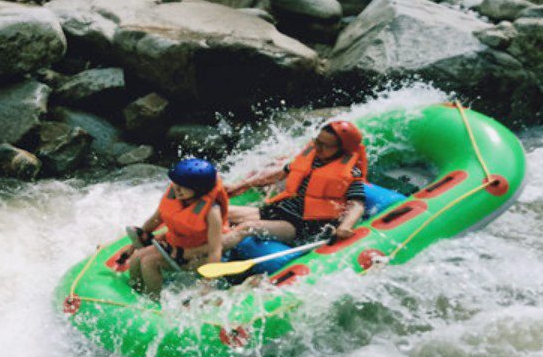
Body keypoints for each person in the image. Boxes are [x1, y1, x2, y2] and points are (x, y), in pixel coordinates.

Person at [225, 120, 368, 248]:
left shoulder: (351, 174)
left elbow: (357, 205)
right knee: (222, 211)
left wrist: (345, 227)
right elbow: (277, 175)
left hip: (300, 225)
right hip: (280, 211)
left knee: (246, 227)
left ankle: (208, 254)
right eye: (317, 142)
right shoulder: (311, 158)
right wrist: (241, 185)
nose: (318, 148)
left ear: (341, 150)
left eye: (325, 146)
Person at [122, 158, 228, 296]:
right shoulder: (176, 194)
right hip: (173, 246)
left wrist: (207, 283)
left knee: (149, 262)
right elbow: (155, 219)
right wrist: (132, 247)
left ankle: (154, 301)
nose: (176, 188)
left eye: (183, 186)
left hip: (198, 255)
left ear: (199, 189)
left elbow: (215, 250)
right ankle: (134, 291)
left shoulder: (212, 212)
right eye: (176, 183)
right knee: (137, 257)